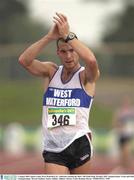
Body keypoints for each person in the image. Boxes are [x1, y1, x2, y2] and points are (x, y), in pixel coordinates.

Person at [19, 12, 100, 174]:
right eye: (63, 51)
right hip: (54, 147)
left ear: (77, 50)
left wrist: (68, 35)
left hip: (78, 142)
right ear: (58, 53)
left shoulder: (86, 76)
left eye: (71, 50)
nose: (68, 56)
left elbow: (91, 60)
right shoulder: (51, 71)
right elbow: (24, 61)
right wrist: (49, 37)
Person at [112, 96, 134, 173]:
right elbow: (114, 122)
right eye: (125, 101)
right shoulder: (120, 111)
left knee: (126, 151)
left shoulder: (132, 111)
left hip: (128, 135)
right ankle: (124, 169)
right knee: (122, 153)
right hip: (121, 135)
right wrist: (120, 126)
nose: (126, 103)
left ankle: (127, 168)